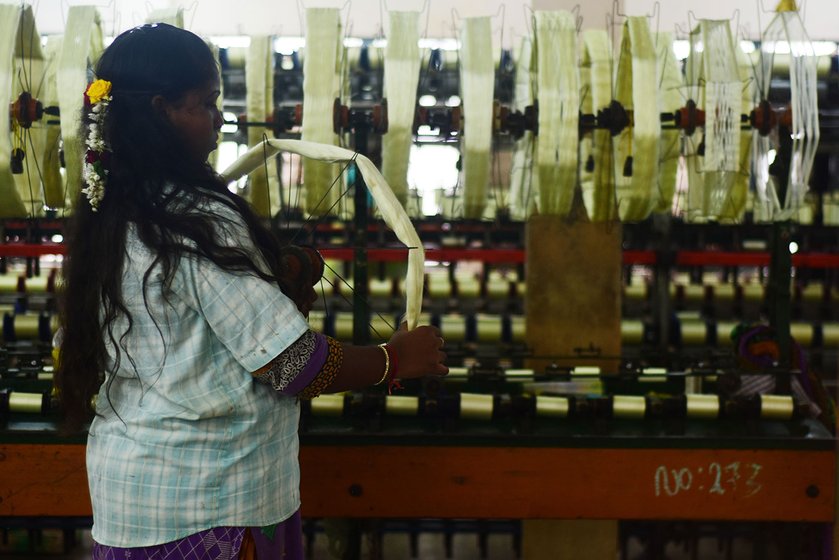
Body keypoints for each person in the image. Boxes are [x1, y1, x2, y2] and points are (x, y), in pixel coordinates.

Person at [55, 23, 447, 560]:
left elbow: (177, 315)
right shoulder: (198, 219)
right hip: (213, 505)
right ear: (160, 110)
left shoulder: (113, 210)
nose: (220, 118)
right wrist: (394, 359)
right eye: (205, 103)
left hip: (135, 498)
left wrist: (273, 276)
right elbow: (292, 366)